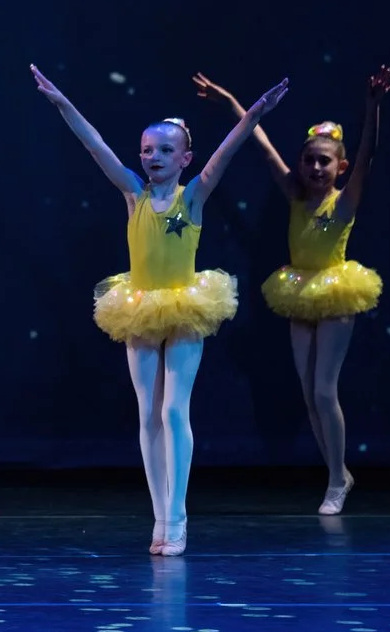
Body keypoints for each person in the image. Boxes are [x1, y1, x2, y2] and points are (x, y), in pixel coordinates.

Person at [32, 64, 286, 555]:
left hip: (186, 306)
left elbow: (226, 153)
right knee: (148, 414)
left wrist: (254, 112)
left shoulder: (193, 197)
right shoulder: (133, 194)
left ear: (185, 157)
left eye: (166, 150)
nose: (154, 157)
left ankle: (178, 516)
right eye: (148, 150)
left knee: (174, 410)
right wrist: (61, 102)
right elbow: (95, 147)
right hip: (140, 307)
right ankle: (158, 517)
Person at [195, 66, 390, 516]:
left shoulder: (344, 200)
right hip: (297, 290)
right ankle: (339, 473)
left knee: (325, 391)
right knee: (308, 395)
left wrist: (372, 106)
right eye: (309, 160)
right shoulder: (293, 193)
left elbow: (368, 154)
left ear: (339, 167)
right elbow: (261, 143)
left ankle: (335, 481)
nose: (316, 167)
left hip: (337, 292)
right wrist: (231, 102)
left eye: (325, 161)